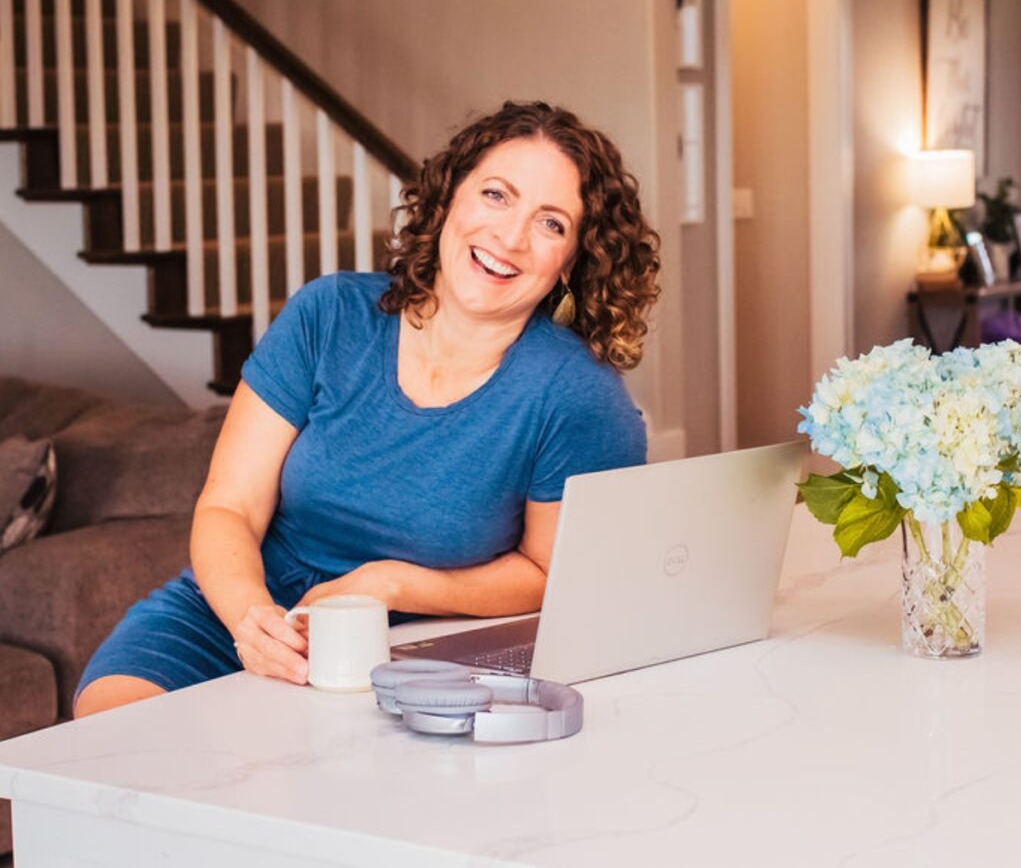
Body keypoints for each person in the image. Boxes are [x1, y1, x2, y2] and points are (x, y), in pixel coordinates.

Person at [73, 100, 661, 717]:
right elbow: (229, 505)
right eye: (495, 195)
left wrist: (392, 583)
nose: (510, 237)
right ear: (449, 199)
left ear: (571, 263)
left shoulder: (577, 395)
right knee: (104, 738)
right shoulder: (328, 316)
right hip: (238, 611)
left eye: (551, 224)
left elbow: (551, 575)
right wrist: (254, 620)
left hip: (416, 644)